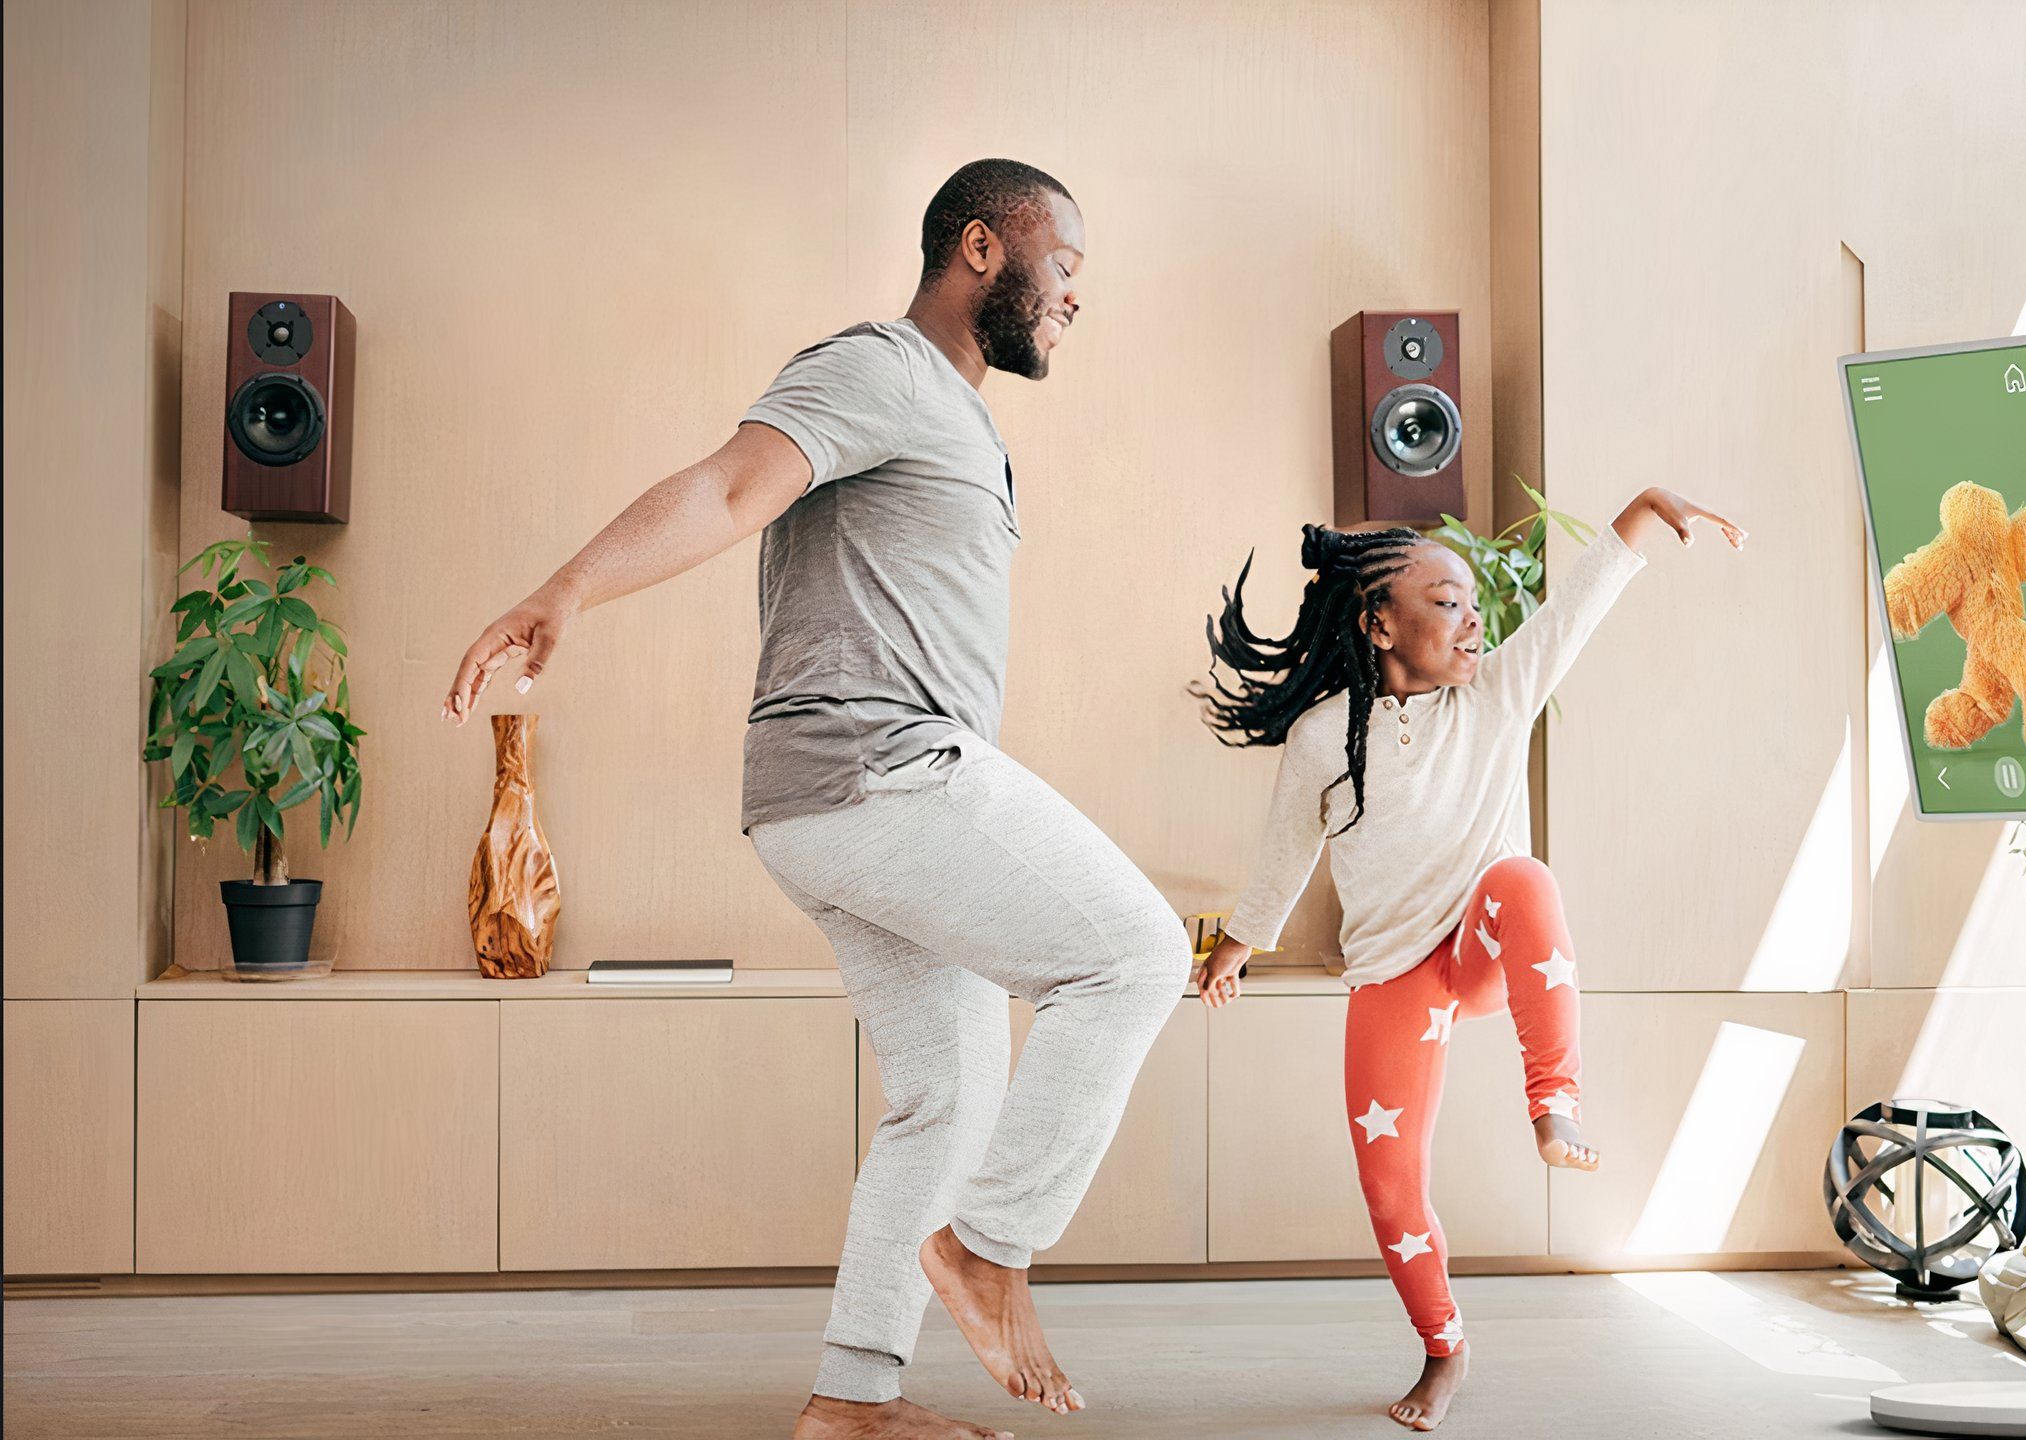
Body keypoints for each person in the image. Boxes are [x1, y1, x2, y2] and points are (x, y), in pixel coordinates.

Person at [441, 159, 1188, 1440]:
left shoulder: (959, 417)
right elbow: (733, 484)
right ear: (980, 249)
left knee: (946, 1097)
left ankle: (851, 1400)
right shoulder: (879, 369)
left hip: (831, 800)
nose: (1076, 298)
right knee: (1134, 956)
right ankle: (992, 1250)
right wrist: (567, 588)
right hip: (878, 768)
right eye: (1064, 267)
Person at [1191, 488, 1745, 1430]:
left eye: (1471, 599)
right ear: (1378, 623)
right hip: (1396, 976)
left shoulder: (1496, 695)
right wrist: (1234, 948)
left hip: (1484, 950)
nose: (1472, 616)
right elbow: (1285, 857)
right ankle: (1443, 1347)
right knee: (1389, 1183)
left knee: (1524, 879)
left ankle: (1553, 1102)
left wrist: (1642, 511)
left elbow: (1575, 609)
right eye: (1446, 600)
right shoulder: (1324, 737)